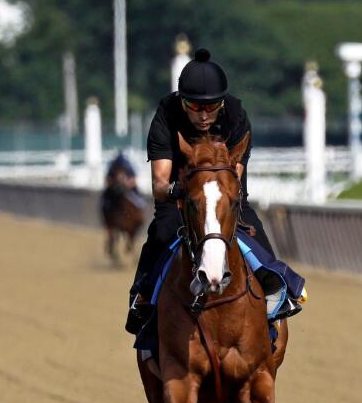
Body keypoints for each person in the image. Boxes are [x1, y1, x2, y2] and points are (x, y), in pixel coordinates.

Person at [125, 48, 303, 335]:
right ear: (182, 102)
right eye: (194, 107)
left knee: (252, 227)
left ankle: (278, 288)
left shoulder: (235, 114)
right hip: (181, 199)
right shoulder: (165, 115)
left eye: (211, 106)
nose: (204, 114)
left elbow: (235, 177)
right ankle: (141, 297)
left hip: (225, 196)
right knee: (161, 231)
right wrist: (183, 190)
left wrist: (216, 196)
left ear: (222, 103)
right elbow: (159, 183)